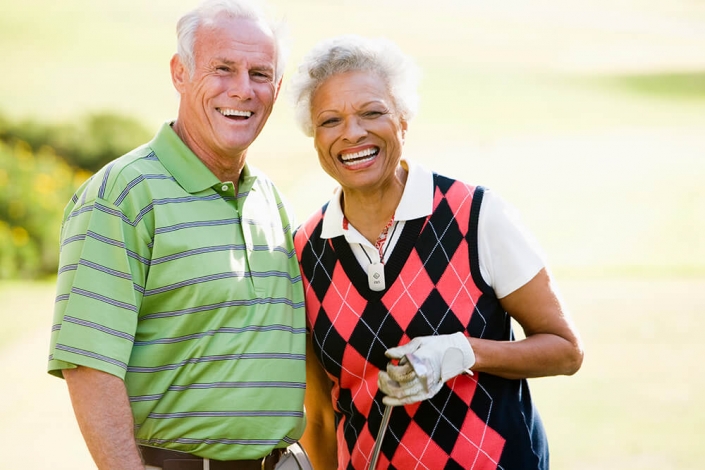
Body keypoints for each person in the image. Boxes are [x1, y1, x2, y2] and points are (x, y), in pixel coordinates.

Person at [289, 35, 584, 469]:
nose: (353, 133)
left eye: (373, 112)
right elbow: (319, 418)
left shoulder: (477, 215)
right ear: (315, 137)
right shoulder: (305, 250)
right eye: (330, 120)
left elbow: (565, 350)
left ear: (404, 122)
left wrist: (463, 352)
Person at [46, 1, 311, 469]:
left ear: (278, 87)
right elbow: (89, 366)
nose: (242, 90)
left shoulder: (271, 199)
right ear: (180, 73)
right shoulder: (123, 195)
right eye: (222, 68)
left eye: (260, 74)